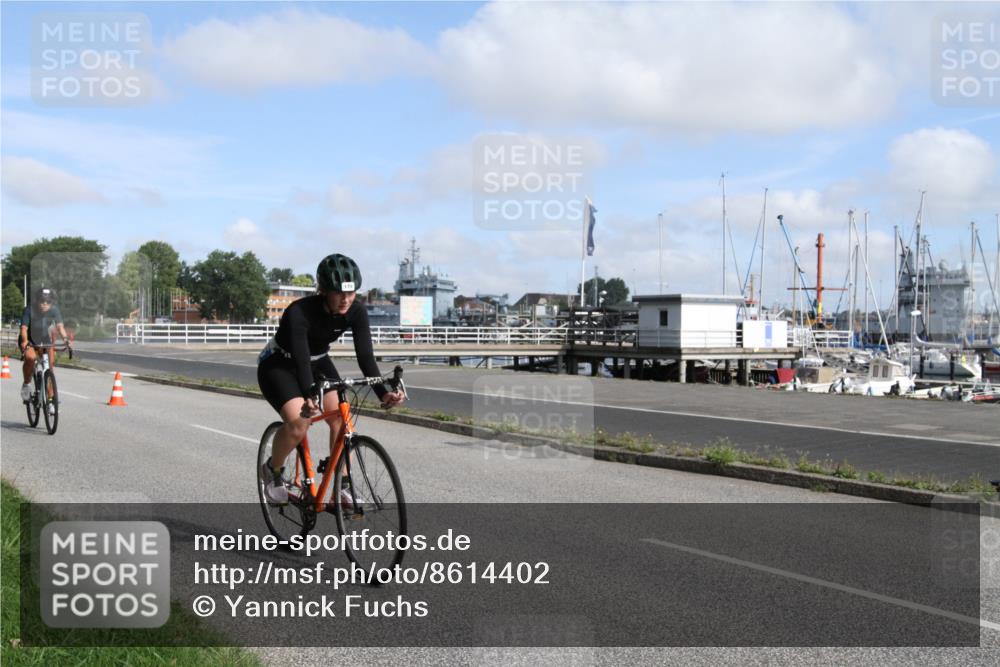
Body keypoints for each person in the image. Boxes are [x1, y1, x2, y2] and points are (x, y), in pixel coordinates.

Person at [257, 253, 404, 504]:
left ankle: (342, 486)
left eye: (351, 293)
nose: (346, 299)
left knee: (342, 419)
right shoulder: (299, 312)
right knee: (299, 423)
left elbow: (366, 359)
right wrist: (309, 396)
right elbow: (302, 361)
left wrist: (384, 393)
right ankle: (273, 470)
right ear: (324, 290)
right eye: (339, 293)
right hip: (280, 364)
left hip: (319, 361)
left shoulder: (356, 311)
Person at [18, 286, 70, 402]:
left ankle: (51, 399)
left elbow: (59, 326)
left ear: (51, 303)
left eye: (48, 302)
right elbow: (24, 328)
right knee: (30, 358)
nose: (44, 304)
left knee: (50, 367)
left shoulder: (54, 310)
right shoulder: (29, 309)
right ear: (37, 301)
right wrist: (25, 342)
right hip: (29, 339)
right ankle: (26, 384)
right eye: (42, 301)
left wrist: (66, 340)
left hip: (44, 339)